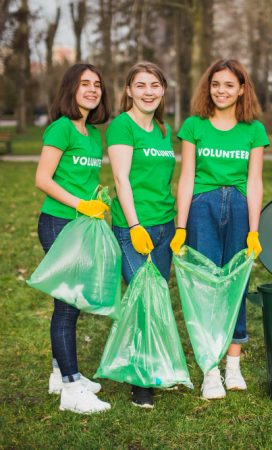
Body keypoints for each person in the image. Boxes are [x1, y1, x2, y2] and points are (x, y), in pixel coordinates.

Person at [170, 59, 268, 400]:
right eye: (216, 84)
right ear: (207, 88)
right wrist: (181, 226)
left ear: (241, 88)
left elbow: (255, 181)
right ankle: (209, 370)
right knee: (207, 287)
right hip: (202, 208)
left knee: (235, 286)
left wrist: (254, 230)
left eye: (229, 85)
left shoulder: (253, 129)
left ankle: (233, 365)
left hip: (240, 207)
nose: (221, 91)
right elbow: (186, 178)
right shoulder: (194, 126)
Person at [34, 63, 112, 414]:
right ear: (71, 89)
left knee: (71, 302)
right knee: (67, 306)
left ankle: (59, 374)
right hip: (58, 223)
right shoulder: (60, 129)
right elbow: (43, 179)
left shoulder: (93, 134)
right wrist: (82, 203)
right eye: (85, 84)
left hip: (83, 225)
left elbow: (81, 178)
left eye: (97, 84)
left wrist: (97, 198)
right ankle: (71, 387)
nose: (93, 89)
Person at [107, 62, 177, 409]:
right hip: (133, 226)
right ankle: (140, 382)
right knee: (141, 302)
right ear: (128, 91)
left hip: (164, 224)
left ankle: (152, 366)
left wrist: (175, 224)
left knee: (157, 299)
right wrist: (134, 227)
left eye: (155, 85)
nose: (149, 91)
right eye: (141, 85)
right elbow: (121, 179)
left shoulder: (164, 130)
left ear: (163, 90)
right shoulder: (122, 126)